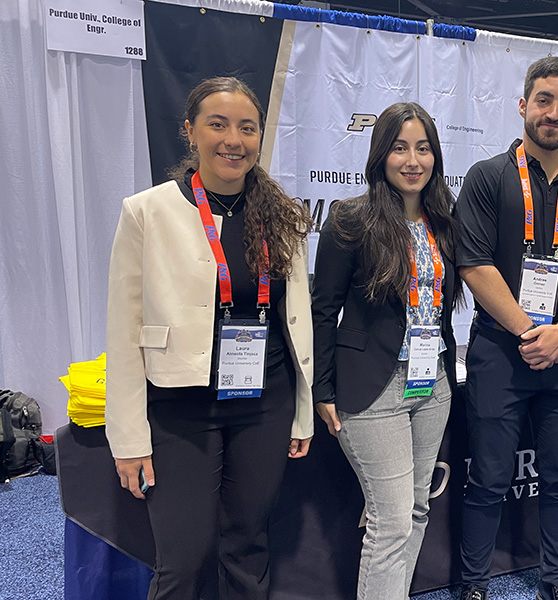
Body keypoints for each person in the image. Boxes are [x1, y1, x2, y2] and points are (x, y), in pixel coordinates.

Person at [105, 77, 315, 600]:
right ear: (190, 132)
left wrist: (302, 412)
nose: (233, 139)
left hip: (263, 401)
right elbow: (125, 333)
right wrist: (128, 440)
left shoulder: (283, 215)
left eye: (247, 127)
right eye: (217, 124)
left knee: (247, 546)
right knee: (184, 557)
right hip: (181, 406)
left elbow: (298, 321)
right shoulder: (146, 212)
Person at [455, 56, 558, 600]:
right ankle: (474, 582)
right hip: (502, 353)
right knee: (489, 478)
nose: (554, 113)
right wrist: (532, 332)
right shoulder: (487, 177)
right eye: (544, 100)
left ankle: (556, 580)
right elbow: (475, 266)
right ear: (524, 105)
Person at [311, 102, 460, 600]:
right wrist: (322, 387)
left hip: (433, 381)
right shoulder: (350, 219)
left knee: (418, 509)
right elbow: (321, 309)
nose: (412, 160)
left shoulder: (445, 219)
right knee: (391, 520)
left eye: (423, 148)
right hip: (371, 387)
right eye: (400, 148)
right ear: (381, 155)